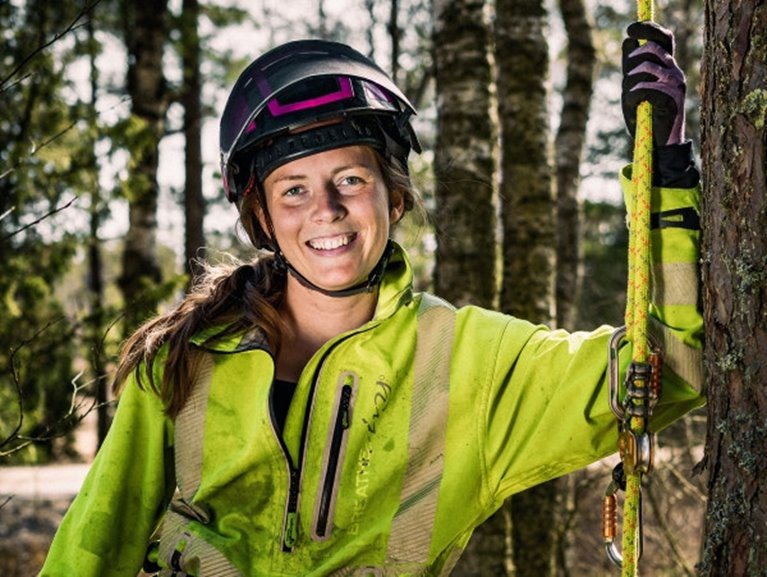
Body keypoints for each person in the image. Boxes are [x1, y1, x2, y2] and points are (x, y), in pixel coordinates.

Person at [39, 21, 703, 576]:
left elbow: (665, 369)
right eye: (293, 188)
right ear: (263, 216)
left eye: (349, 178)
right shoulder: (184, 360)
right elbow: (90, 548)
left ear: (394, 195)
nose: (324, 210)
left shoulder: (471, 362)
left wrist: (665, 170)